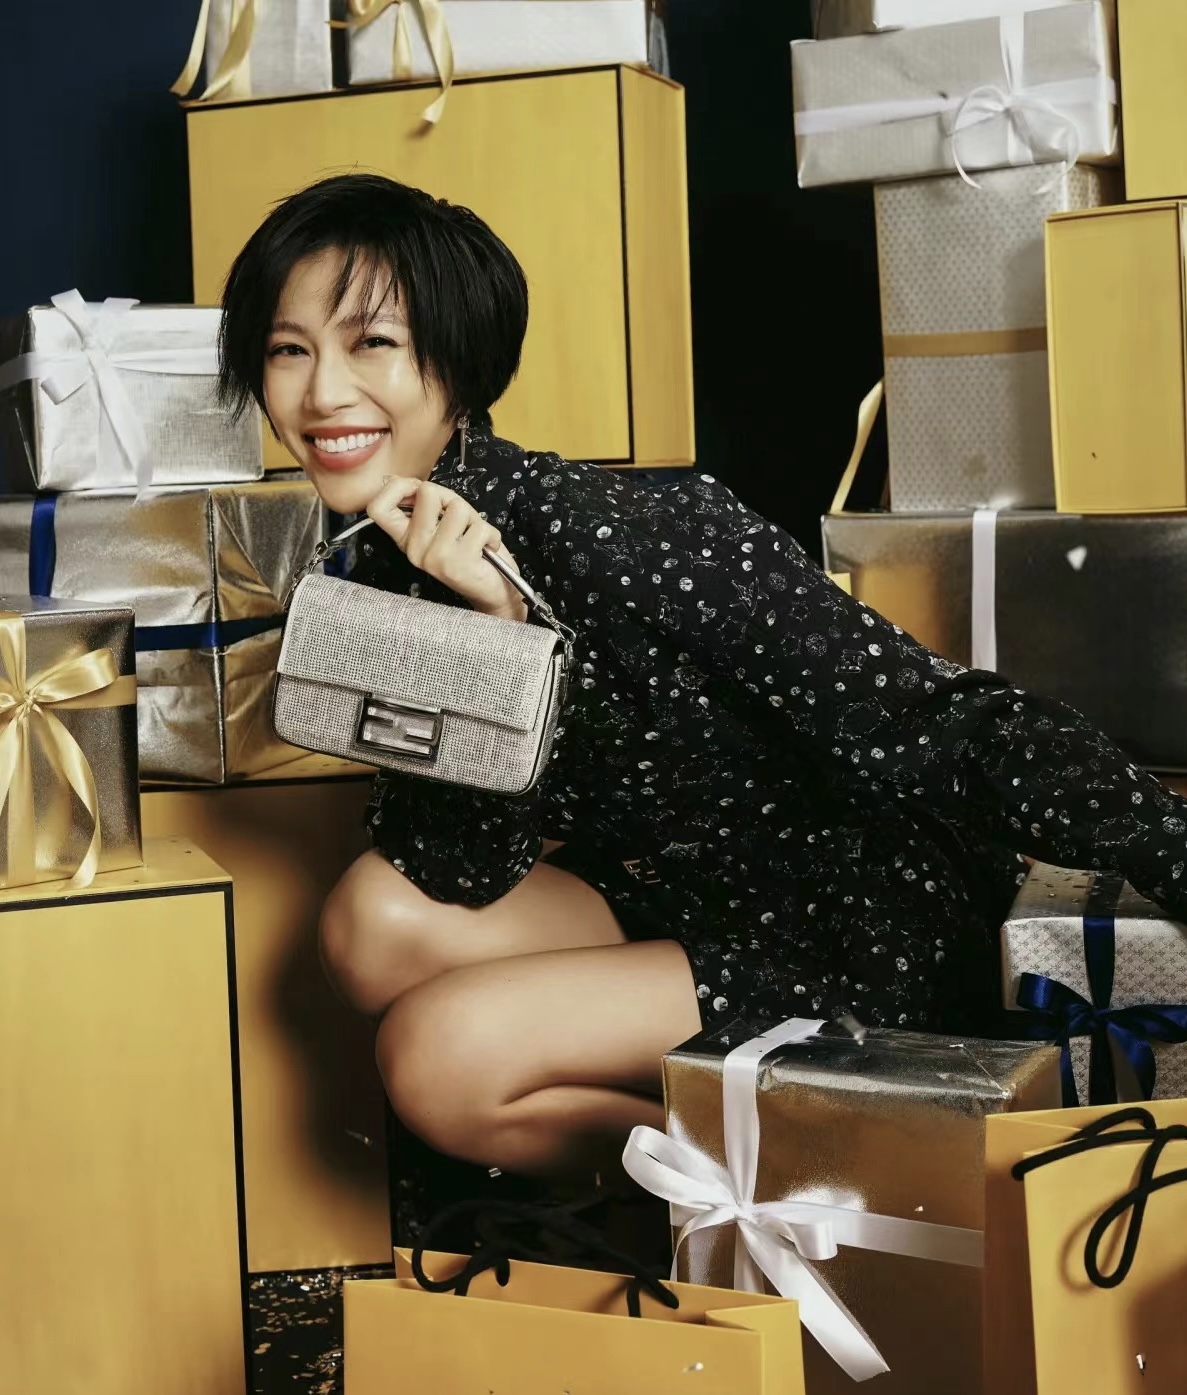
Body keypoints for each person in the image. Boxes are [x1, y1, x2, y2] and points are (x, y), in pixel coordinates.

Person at [219, 171, 1187, 1183]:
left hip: (845, 920)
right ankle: (734, 1190)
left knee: (436, 1057)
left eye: (371, 342)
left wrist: (1170, 852)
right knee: (368, 927)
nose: (321, 394)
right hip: (674, 898)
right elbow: (455, 869)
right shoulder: (386, 558)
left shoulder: (621, 533)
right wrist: (491, 637)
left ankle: (834, 1200)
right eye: (289, 350)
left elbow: (937, 718)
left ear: (460, 364)